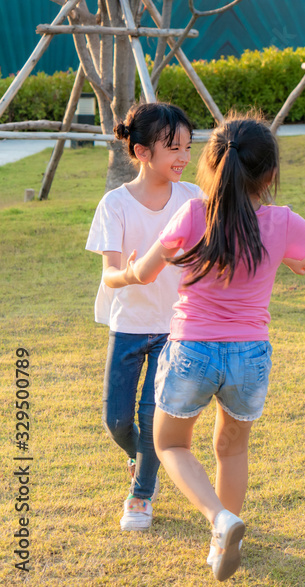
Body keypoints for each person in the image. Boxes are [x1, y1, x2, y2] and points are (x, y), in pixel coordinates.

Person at [121, 115, 305, 581]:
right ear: (269, 174)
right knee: (231, 450)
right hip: (250, 356)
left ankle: (220, 520)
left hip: (193, 350)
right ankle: (224, 536)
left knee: (169, 443)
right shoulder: (281, 220)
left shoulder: (194, 213)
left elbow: (142, 274)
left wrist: (121, 272)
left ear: (213, 166)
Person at [85, 103, 201, 532]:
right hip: (129, 325)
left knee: (155, 417)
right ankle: (141, 457)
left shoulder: (193, 198)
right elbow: (111, 275)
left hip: (177, 327)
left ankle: (141, 494)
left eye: (188, 147)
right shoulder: (115, 204)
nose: (184, 157)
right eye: (173, 147)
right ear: (142, 151)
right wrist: (132, 272)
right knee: (116, 420)